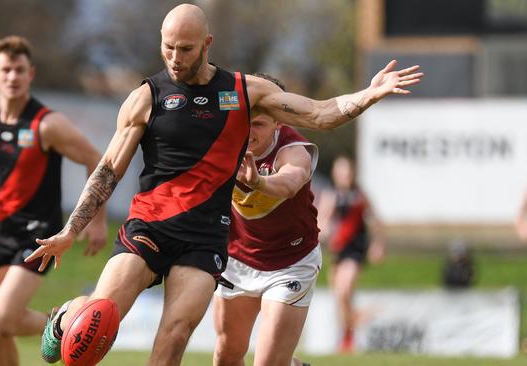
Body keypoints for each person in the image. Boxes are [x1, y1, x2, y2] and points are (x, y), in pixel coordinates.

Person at [25, 4, 422, 365]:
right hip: (149, 227)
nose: (175, 59)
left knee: (174, 337)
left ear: (207, 44)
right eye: (168, 48)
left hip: (204, 241)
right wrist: (69, 230)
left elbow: (320, 114)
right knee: (100, 319)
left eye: (185, 49)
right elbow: (109, 168)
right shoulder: (146, 97)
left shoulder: (244, 91)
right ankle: (68, 313)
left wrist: (370, 94)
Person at [0, 35, 107, 366]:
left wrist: (96, 220)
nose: (12, 77)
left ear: (31, 74)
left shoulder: (47, 124)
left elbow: (96, 160)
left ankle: (65, 322)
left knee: (0, 318)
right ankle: (60, 322)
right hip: (0, 226)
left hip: (39, 231)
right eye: (6, 70)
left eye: (19, 70)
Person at [213, 73, 318, 366]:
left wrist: (258, 182)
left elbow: (289, 183)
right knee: (226, 355)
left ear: (278, 122)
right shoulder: (223, 133)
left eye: (258, 124)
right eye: (243, 120)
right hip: (237, 259)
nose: (247, 132)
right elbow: (211, 96)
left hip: (290, 263)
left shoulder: (294, 150)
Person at [317, 155, 386, 353]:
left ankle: (350, 331)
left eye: (347, 171)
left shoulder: (359, 195)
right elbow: (322, 220)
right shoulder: (332, 196)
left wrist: (378, 244)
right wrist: (325, 231)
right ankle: (349, 333)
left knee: (345, 289)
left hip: (355, 251)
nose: (345, 176)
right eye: (341, 172)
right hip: (338, 251)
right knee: (340, 298)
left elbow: (375, 220)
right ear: (335, 174)